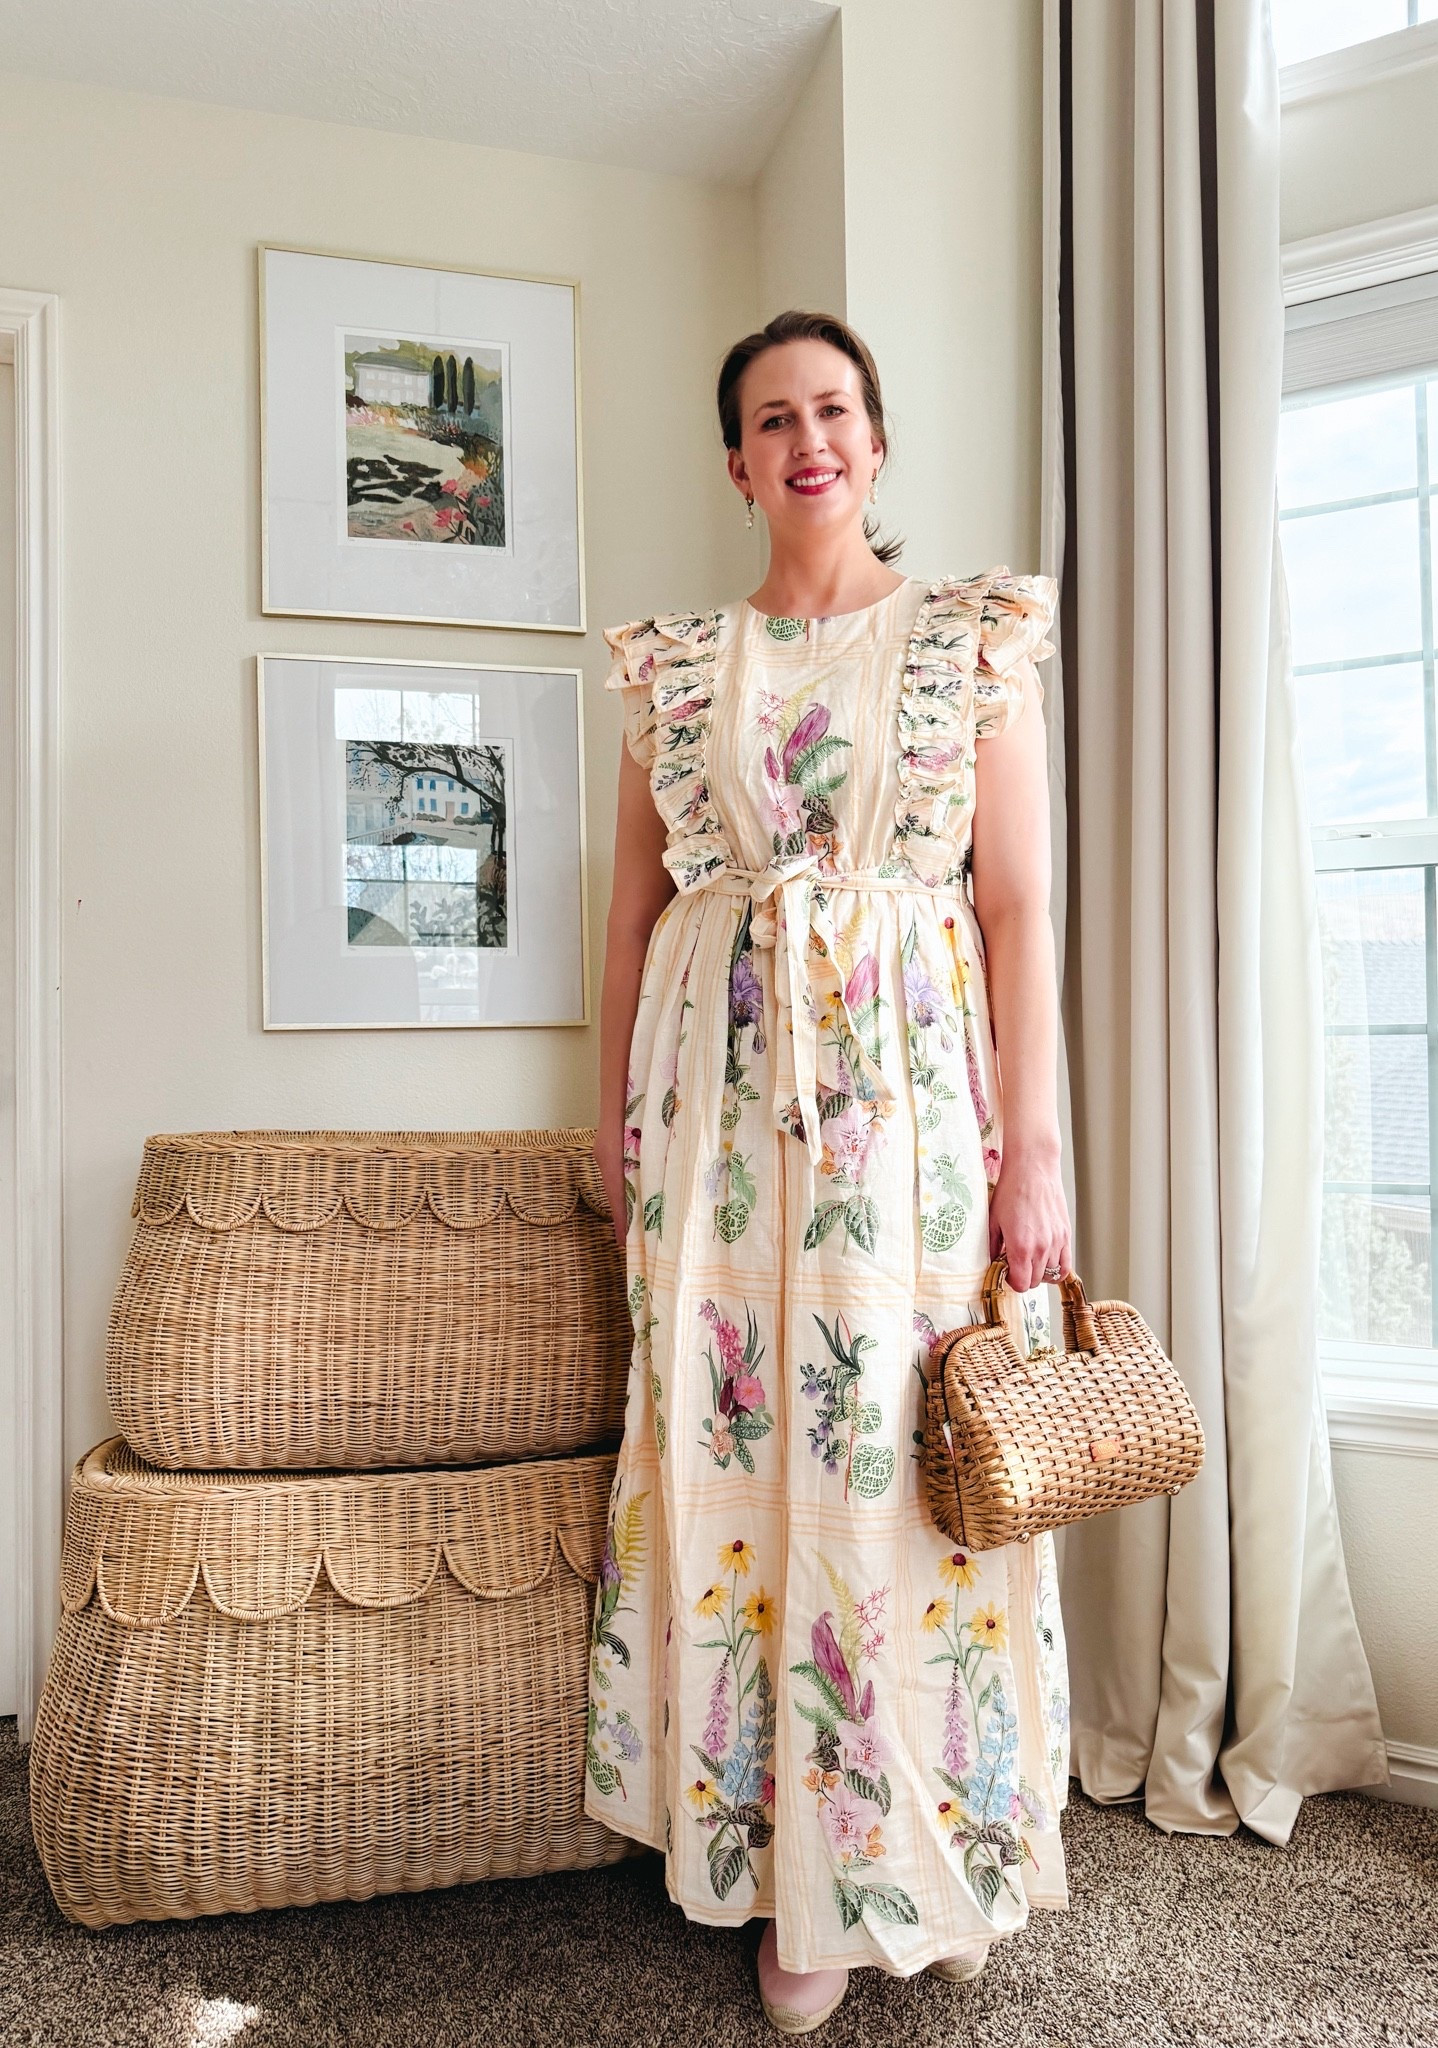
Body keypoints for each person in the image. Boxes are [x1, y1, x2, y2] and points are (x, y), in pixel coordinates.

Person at [587, 309, 1072, 2035]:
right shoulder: (674, 668)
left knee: (898, 1465)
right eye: (774, 418)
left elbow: (1014, 909)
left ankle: (916, 1850)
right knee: (741, 1464)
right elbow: (633, 915)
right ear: (735, 460)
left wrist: (1036, 1152)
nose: (809, 440)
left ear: (876, 441)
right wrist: (611, 1125)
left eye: (835, 410)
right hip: (715, 1119)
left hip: (908, 1114)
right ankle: (788, 1870)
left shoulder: (965, 642)